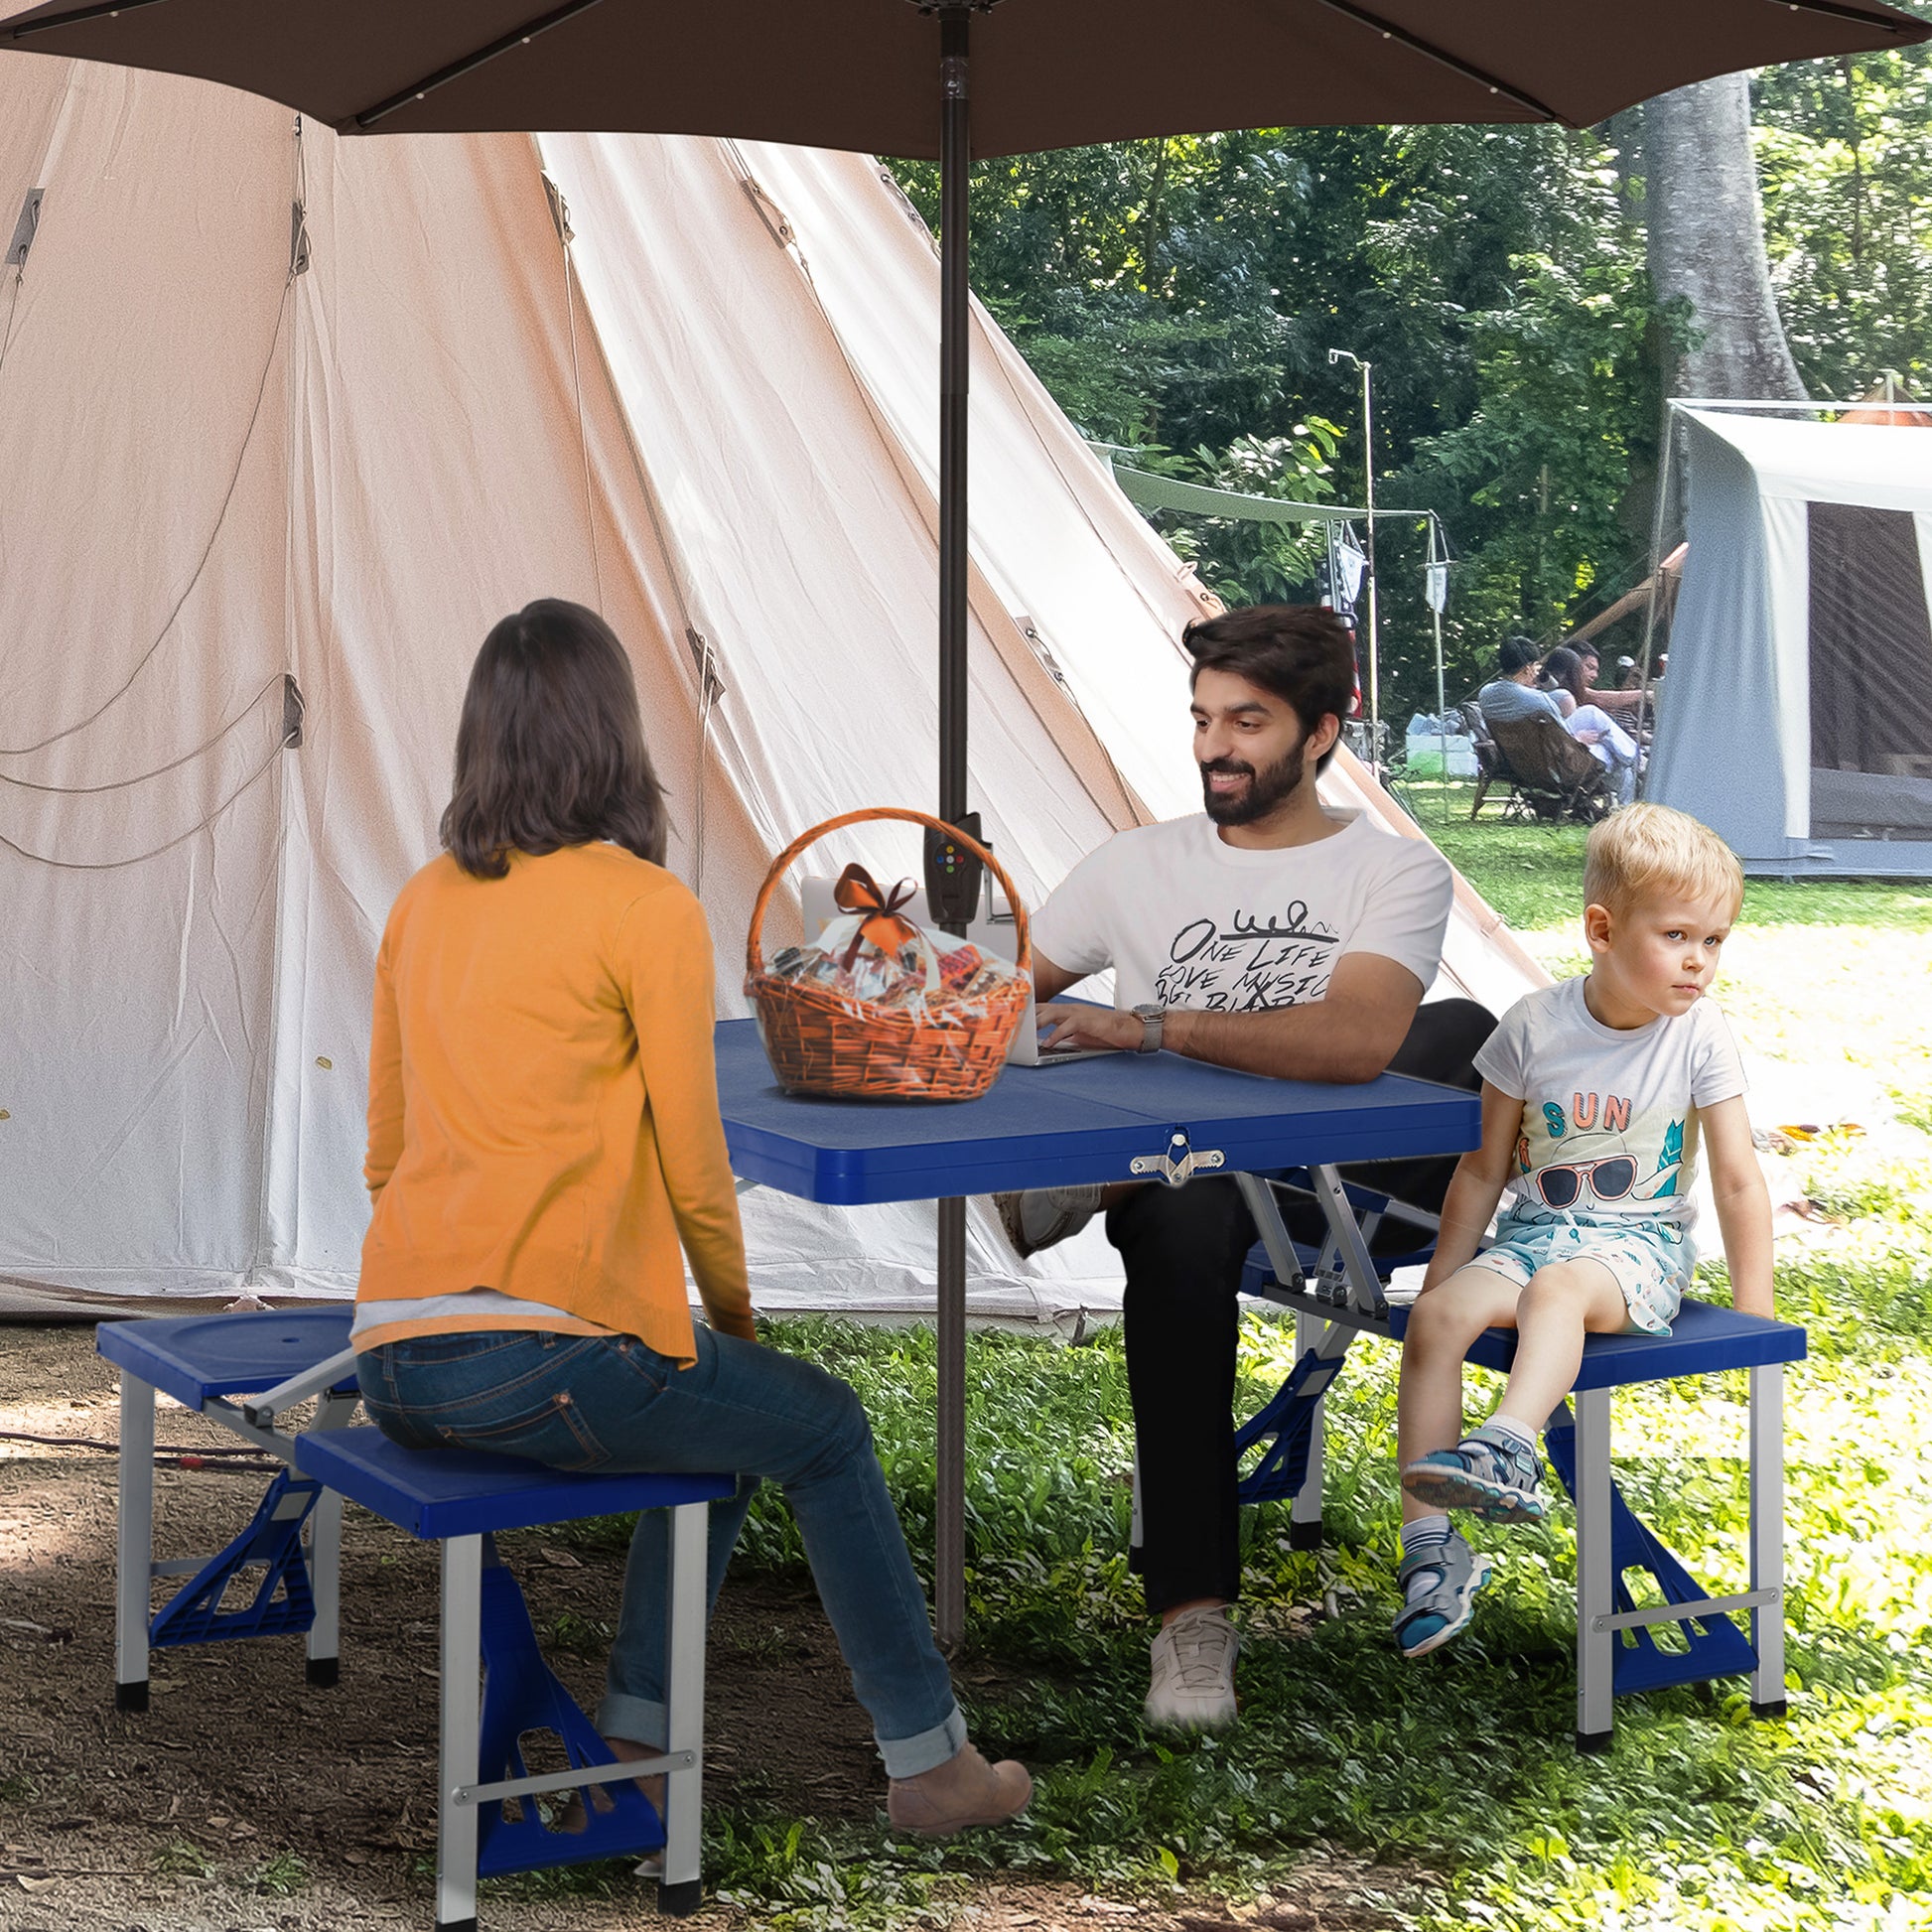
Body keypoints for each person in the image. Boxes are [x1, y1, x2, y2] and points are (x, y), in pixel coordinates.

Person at [349, 599, 1030, 1838]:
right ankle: (931, 1764)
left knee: (718, 1426)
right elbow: (692, 1159)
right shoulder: (643, 905)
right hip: (542, 1356)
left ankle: (640, 1738)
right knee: (816, 1421)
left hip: (394, 1353)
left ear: (480, 741)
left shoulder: (423, 899)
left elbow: (385, 1148)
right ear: (614, 734)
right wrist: (727, 1313)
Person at [992, 604, 1493, 1730]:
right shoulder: (1133, 864)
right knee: (1181, 1220)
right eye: (1203, 718)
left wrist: (1151, 1029)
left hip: (1348, 1199)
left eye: (1248, 721)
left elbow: (1356, 1041)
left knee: (1455, 1031)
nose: (1215, 744)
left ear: (1322, 730)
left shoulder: (1393, 871)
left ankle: (1115, 1169)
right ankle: (1191, 1621)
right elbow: (1000, 996)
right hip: (1205, 1198)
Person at [1389, 804, 1772, 1658]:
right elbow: (1483, 1171)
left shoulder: (1699, 1036)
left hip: (1637, 1250)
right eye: (1678, 935)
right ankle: (1431, 1557)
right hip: (1535, 1233)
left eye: (1715, 940)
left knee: (1557, 1294)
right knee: (1438, 1320)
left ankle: (1509, 1447)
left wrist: (1756, 1316)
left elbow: (1741, 1179)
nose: (1699, 962)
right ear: (1602, 929)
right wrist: (1446, 1277)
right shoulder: (1533, 1026)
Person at [1542, 645, 1641, 806]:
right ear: (1573, 668)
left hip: (1549, 760)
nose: (1594, 675)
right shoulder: (1562, 696)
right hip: (1561, 759)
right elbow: (1602, 699)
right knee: (1591, 713)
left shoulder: (1538, 696)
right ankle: (1637, 760)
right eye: (1588, 668)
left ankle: (1626, 808)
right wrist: (1575, 739)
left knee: (1618, 762)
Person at [1477, 636, 1567, 729]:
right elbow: (1565, 732)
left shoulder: (1485, 693)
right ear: (1527, 669)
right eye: (1536, 667)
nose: (1537, 673)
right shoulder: (1539, 699)